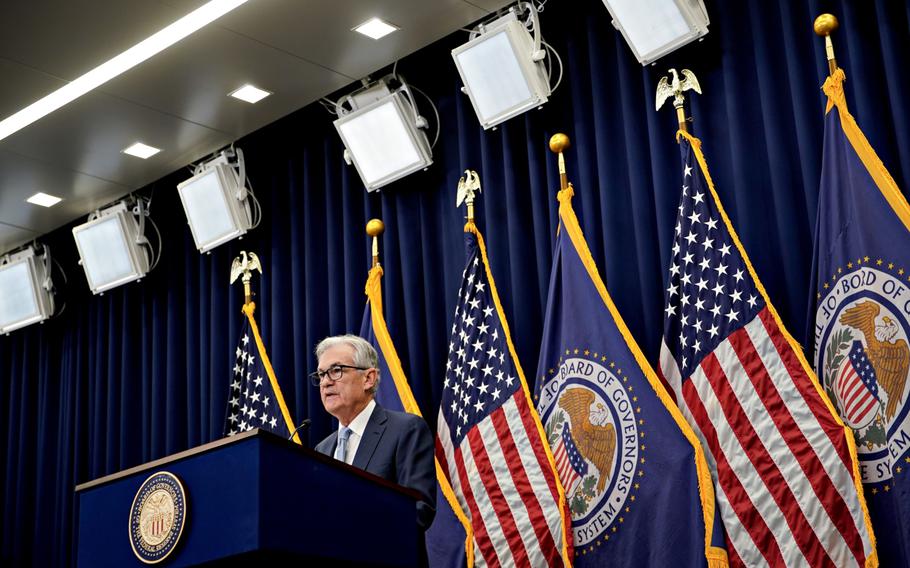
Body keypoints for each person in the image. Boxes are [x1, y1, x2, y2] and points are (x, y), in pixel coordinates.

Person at [312, 334, 436, 530]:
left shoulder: (406, 430)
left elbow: (419, 511)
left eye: (336, 371)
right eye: (321, 374)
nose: (325, 382)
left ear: (368, 378)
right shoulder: (322, 449)